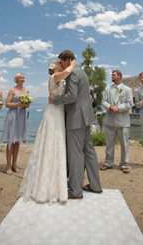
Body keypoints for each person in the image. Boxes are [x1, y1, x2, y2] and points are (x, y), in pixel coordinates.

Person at [18, 59, 76, 203]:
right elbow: (68, 71)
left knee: (57, 143)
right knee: (51, 142)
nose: (61, 64)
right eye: (58, 62)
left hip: (58, 111)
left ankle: (56, 183)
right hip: (54, 113)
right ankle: (45, 185)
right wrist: (73, 64)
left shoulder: (58, 77)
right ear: (53, 67)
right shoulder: (55, 76)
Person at [49, 50, 102, 199]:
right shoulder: (82, 72)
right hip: (86, 117)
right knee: (89, 151)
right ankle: (96, 185)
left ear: (67, 60)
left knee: (76, 154)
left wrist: (55, 99)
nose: (60, 64)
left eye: (60, 61)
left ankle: (75, 191)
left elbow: (72, 96)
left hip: (76, 118)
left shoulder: (72, 74)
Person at [100, 70, 134, 174]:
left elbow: (130, 104)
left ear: (119, 76)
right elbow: (103, 101)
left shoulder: (127, 89)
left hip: (123, 121)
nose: (111, 76)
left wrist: (118, 108)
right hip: (110, 121)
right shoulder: (108, 89)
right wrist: (110, 106)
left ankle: (124, 164)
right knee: (109, 143)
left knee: (124, 144)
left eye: (113, 75)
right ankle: (108, 162)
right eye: (111, 75)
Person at [2, 73, 31, 175]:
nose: (22, 79)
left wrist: (26, 105)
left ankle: (14, 164)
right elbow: (7, 104)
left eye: (23, 77)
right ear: (16, 79)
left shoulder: (26, 91)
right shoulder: (12, 90)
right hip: (13, 115)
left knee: (17, 141)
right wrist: (18, 104)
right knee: (11, 140)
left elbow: (27, 105)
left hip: (21, 116)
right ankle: (8, 165)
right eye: (20, 78)